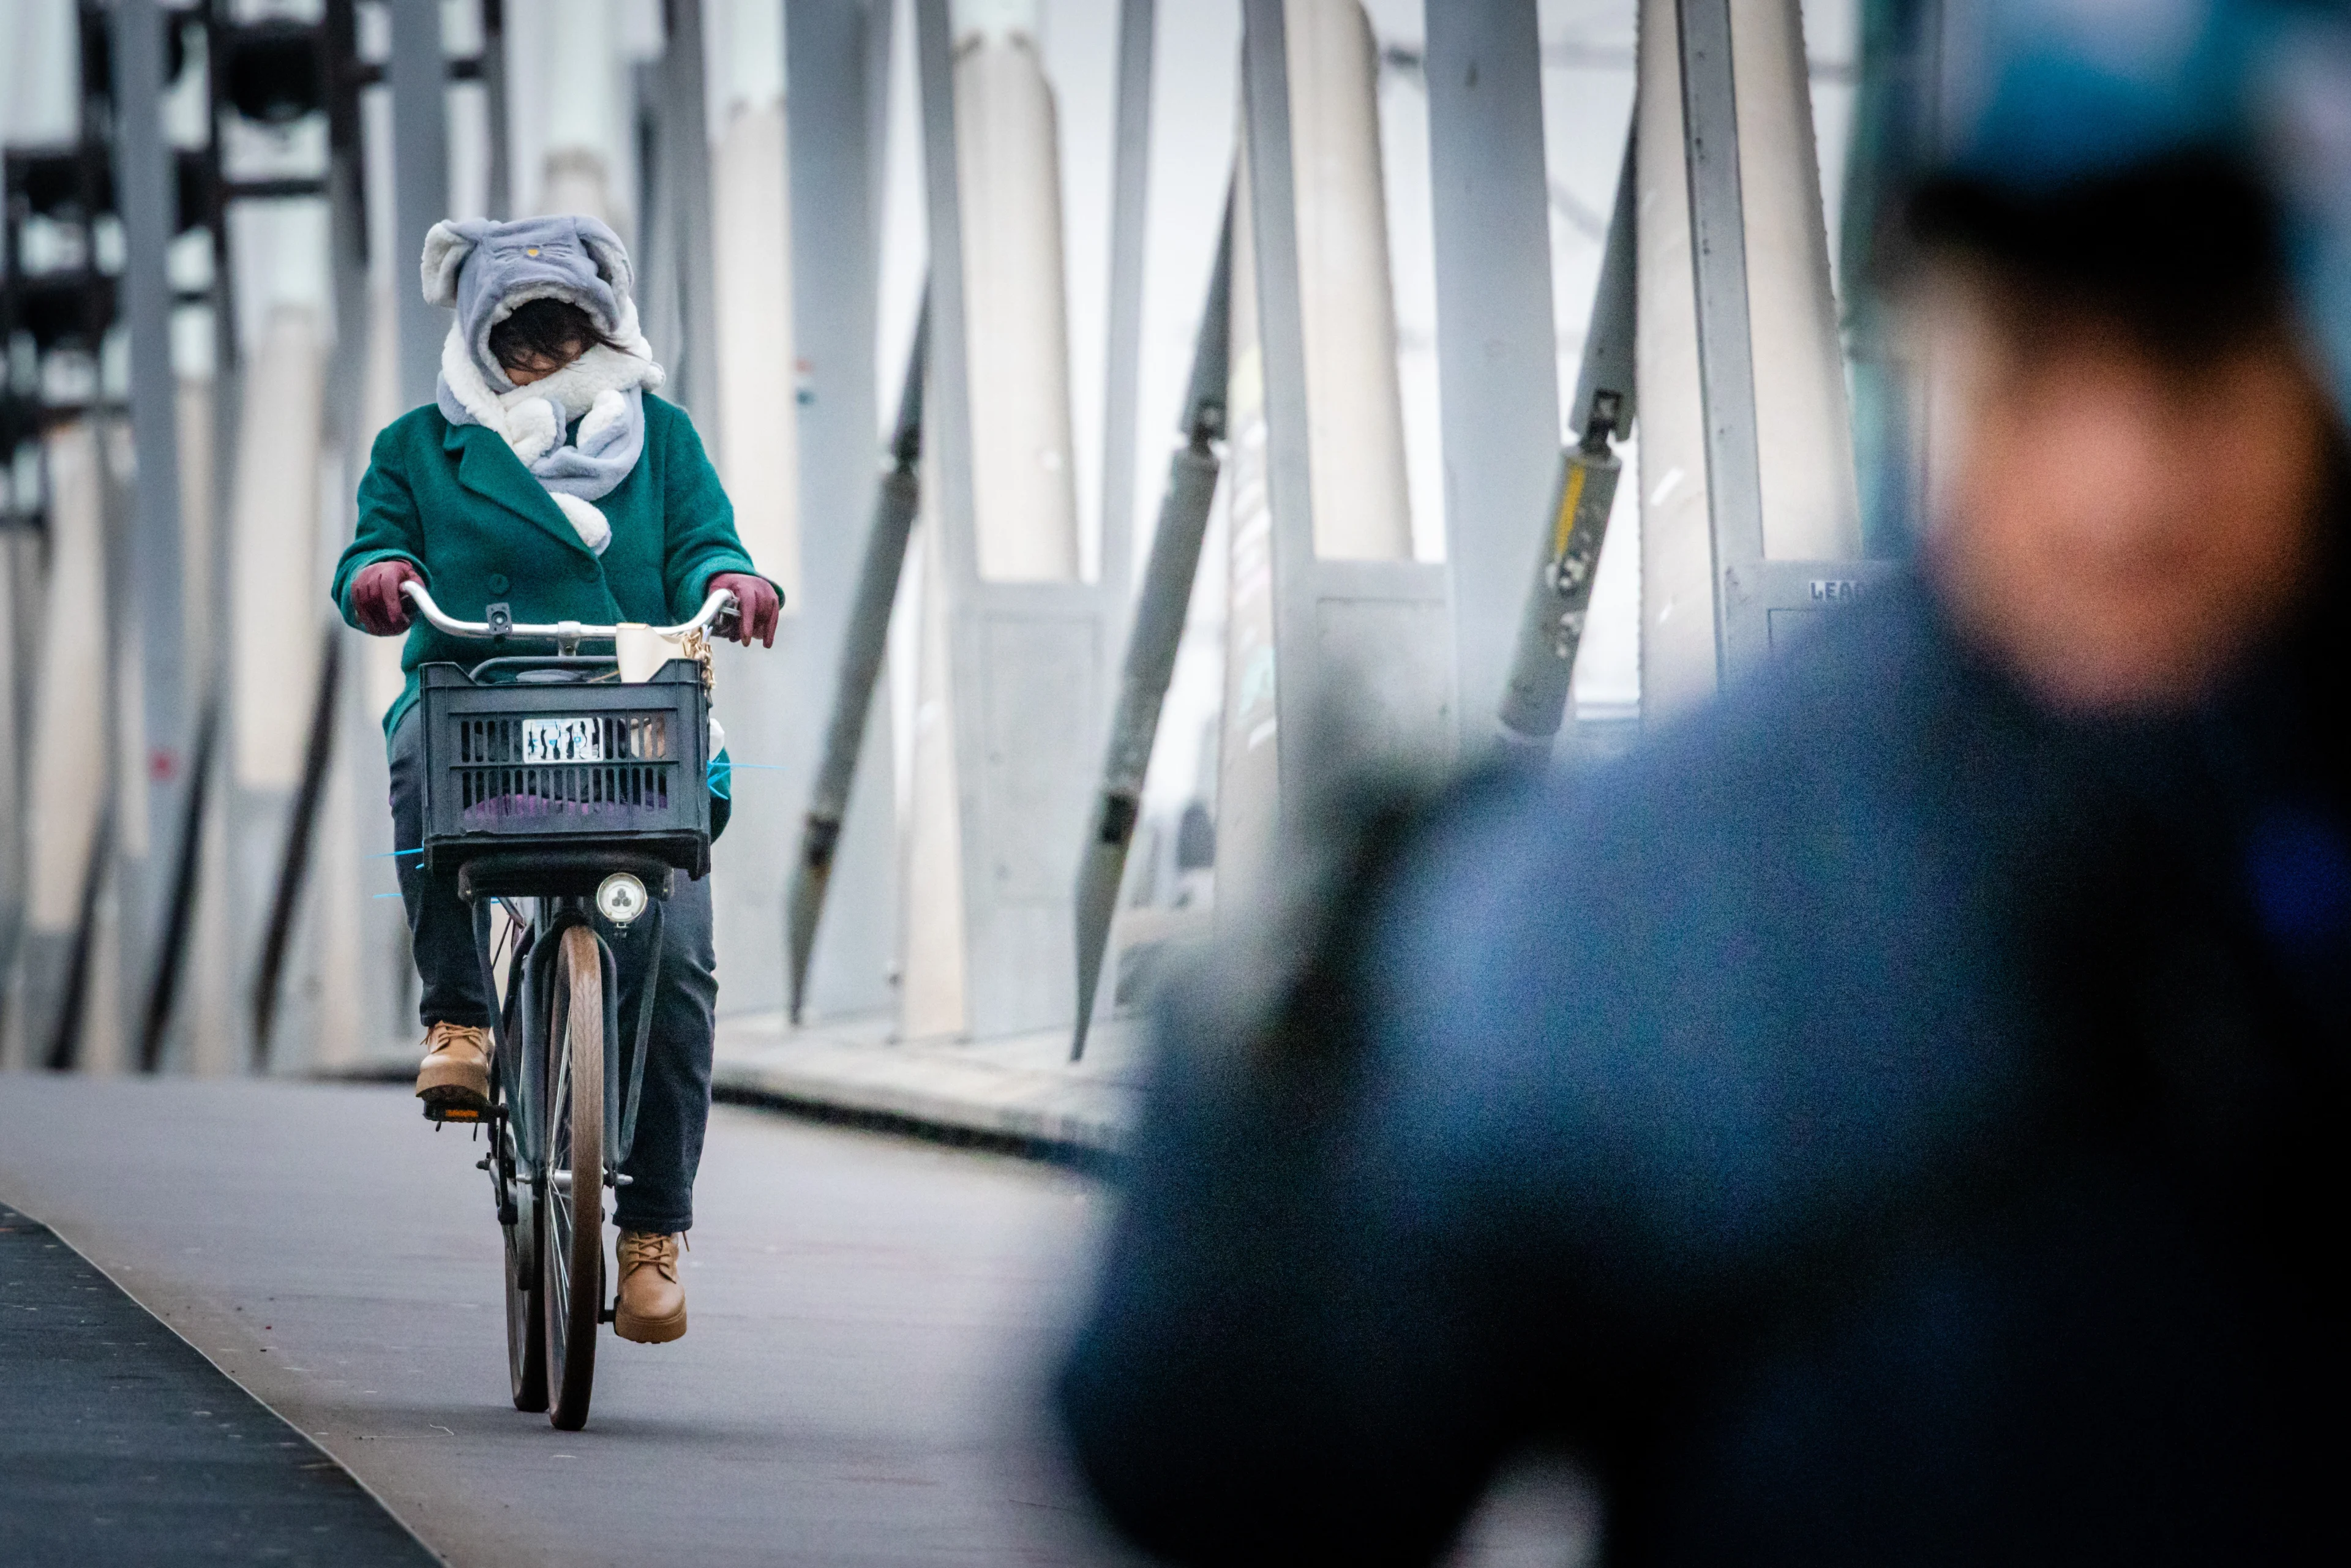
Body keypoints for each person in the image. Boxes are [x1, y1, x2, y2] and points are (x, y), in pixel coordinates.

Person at [1057, 2, 2351, 1562]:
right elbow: (1247, 1471)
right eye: (2037, 358)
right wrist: (1263, 1098)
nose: (2113, 483)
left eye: (2196, 359)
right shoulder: (1722, 852)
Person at [331, 215, 780, 1346]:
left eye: (566, 327)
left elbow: (703, 545)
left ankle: (652, 1233)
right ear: (480, 335)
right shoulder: (416, 448)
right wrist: (382, 574)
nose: (544, 349)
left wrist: (733, 581)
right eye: (520, 330)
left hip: (631, 722)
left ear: (605, 325)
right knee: (419, 766)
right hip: (485, 712)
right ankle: (460, 1022)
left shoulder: (662, 441)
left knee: (677, 965)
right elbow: (366, 552)